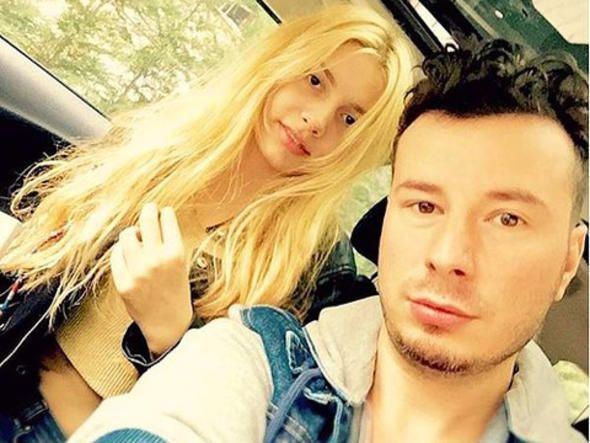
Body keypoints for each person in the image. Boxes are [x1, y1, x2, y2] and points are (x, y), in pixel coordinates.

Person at [70, 39, 588, 443]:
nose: (448, 255)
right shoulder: (260, 358)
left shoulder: (316, 261)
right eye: (425, 206)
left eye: (507, 219)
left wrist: (169, 332)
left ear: (568, 261)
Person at [0, 5, 415, 441]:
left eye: (349, 119)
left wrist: (173, 334)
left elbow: (266, 412)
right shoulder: (165, 143)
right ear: (283, 62)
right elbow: (36, 263)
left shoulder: (318, 266)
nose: (317, 120)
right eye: (315, 81)